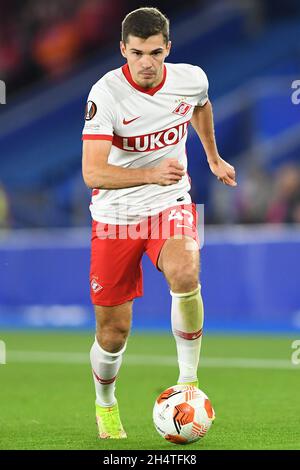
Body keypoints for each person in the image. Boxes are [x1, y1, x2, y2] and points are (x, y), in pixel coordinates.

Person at [82, 7, 237, 439]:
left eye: (154, 52)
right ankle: (106, 402)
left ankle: (188, 384)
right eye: (136, 53)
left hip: (169, 202)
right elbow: (93, 174)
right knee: (113, 333)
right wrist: (150, 171)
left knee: (186, 270)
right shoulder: (106, 94)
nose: (146, 62)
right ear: (122, 51)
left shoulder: (191, 78)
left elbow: (201, 106)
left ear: (168, 48)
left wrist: (211, 156)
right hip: (115, 218)